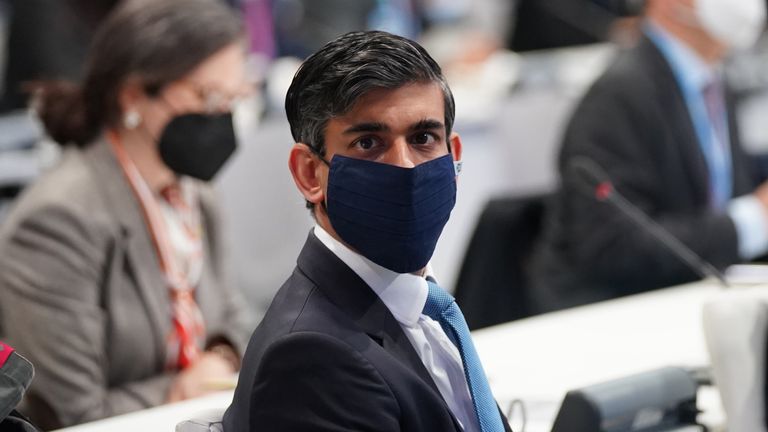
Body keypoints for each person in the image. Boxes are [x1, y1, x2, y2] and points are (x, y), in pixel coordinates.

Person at [224, 31, 511, 432]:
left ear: (454, 157)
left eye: (423, 138)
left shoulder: (428, 311)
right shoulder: (310, 357)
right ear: (310, 173)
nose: (406, 166)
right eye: (368, 143)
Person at [0, 0, 251, 428]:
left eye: (234, 97)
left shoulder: (193, 192)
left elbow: (236, 318)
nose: (223, 116)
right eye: (209, 96)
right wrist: (181, 387)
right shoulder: (57, 220)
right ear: (133, 95)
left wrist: (221, 356)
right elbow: (68, 409)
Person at [531, 0, 768, 312]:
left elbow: (717, 192)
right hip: (616, 318)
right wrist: (751, 222)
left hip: (695, 300)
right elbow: (613, 247)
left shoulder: (711, 79)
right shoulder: (618, 96)